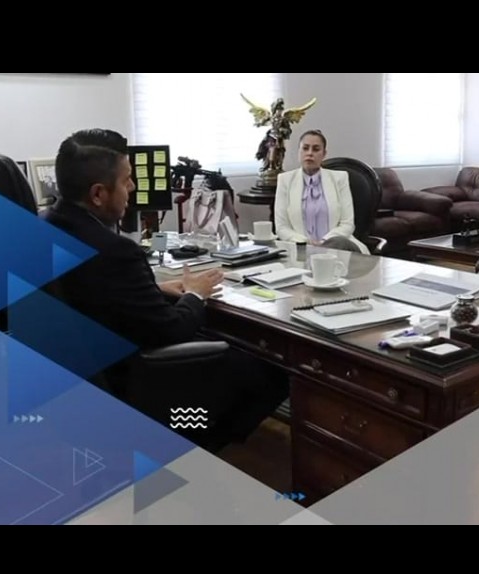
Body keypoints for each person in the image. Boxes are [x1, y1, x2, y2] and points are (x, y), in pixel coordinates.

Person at [44, 128, 289, 448]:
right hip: (130, 385)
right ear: (98, 194)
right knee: (271, 372)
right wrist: (195, 294)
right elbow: (171, 331)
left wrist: (155, 290)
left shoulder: (45, 226)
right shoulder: (116, 251)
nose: (132, 187)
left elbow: (93, 292)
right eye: (126, 180)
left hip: (79, 381)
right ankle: (193, 437)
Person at [274, 129, 368, 253]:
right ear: (299, 151)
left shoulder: (340, 178)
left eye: (316, 149)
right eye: (305, 148)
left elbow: (347, 224)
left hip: (338, 247)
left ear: (324, 154)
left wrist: (325, 242)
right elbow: (281, 227)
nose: (310, 153)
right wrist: (306, 242)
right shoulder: (285, 180)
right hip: (301, 248)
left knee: (339, 245)